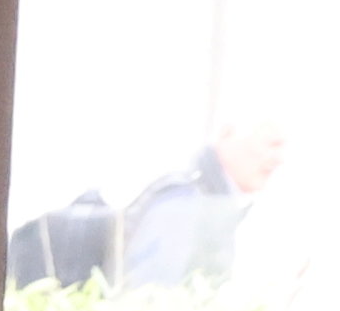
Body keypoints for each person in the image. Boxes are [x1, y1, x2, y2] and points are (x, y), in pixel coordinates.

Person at [122, 120, 290, 290]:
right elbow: (149, 296)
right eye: (272, 144)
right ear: (228, 134)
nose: (279, 159)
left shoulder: (210, 199)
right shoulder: (185, 199)